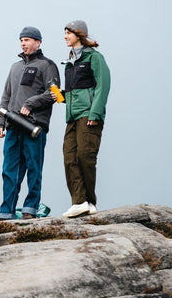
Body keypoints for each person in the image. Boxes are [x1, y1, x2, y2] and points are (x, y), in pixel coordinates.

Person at [0, 27, 60, 221]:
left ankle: (30, 209)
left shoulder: (47, 65)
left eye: (28, 40)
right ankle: (6, 211)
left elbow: (56, 94)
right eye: (22, 40)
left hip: (34, 127)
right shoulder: (14, 67)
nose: (24, 43)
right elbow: (6, 95)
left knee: (33, 167)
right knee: (9, 170)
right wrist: (0, 121)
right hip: (13, 126)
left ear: (38, 42)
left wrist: (31, 103)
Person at [58, 20, 111, 218]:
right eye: (64, 33)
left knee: (85, 157)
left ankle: (89, 201)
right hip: (72, 116)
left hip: (88, 115)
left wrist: (95, 113)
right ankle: (79, 202)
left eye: (68, 33)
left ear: (79, 34)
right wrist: (62, 97)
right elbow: (78, 91)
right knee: (69, 156)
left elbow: (103, 86)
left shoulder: (95, 57)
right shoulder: (69, 62)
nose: (65, 36)